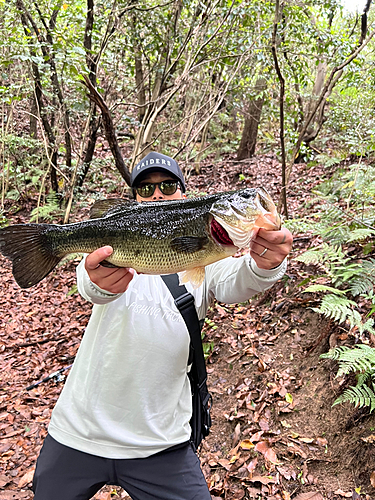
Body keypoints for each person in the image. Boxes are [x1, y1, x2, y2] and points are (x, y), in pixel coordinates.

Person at [32, 151, 293, 500]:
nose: (157, 195)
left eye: (168, 186)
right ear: (134, 199)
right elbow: (90, 284)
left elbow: (240, 280)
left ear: (183, 194)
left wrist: (267, 264)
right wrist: (97, 279)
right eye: (146, 188)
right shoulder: (113, 249)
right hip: (80, 431)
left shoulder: (209, 255)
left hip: (162, 441)